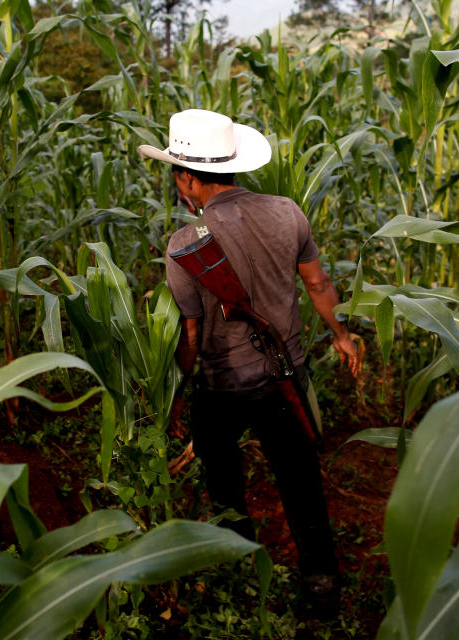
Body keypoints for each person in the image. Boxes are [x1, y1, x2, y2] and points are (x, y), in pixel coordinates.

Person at [138, 109, 361, 602]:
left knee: (225, 483)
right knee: (300, 479)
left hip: (222, 386)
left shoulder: (185, 245)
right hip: (285, 375)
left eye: (177, 174)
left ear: (188, 177)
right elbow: (318, 283)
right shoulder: (287, 212)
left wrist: (180, 391)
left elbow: (191, 335)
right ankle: (320, 578)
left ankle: (239, 577)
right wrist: (341, 336)